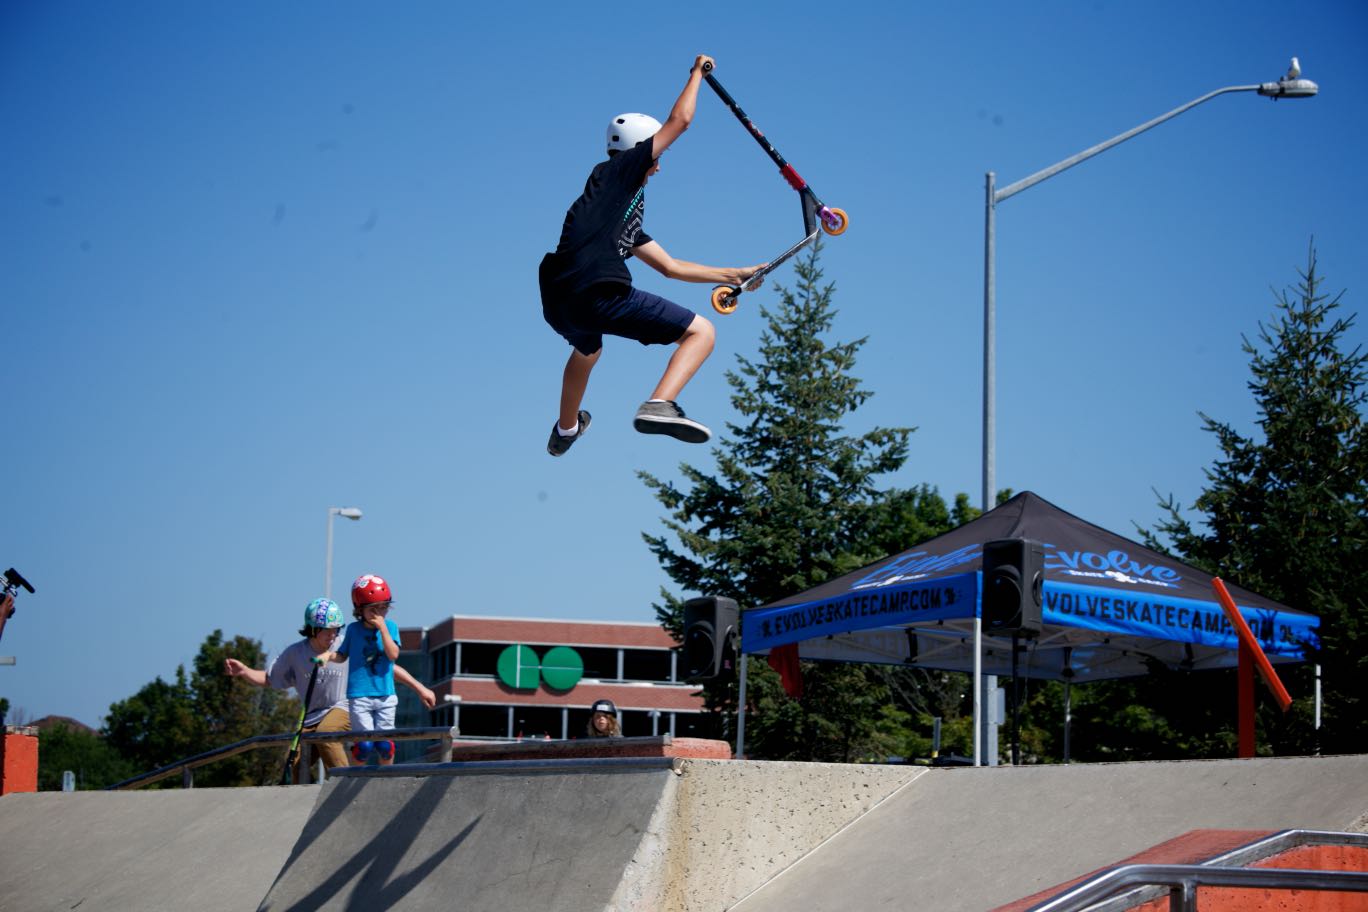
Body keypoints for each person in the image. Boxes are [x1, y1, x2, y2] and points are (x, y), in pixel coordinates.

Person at [539, 53, 764, 457]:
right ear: (641, 149)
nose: (659, 167)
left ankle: (566, 429)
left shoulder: (614, 208)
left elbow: (671, 267)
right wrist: (696, 75)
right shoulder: (620, 170)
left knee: (588, 350)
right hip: (597, 290)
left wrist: (735, 274)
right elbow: (681, 122)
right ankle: (659, 403)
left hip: (560, 299)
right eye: (656, 157)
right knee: (702, 332)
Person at [225, 596, 435, 780]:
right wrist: (243, 671)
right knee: (295, 762)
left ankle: (344, 782)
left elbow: (387, 669)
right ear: (313, 630)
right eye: (327, 632)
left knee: (328, 732)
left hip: (343, 707)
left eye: (336, 631)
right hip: (311, 717)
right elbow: (270, 679)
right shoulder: (295, 654)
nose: (333, 636)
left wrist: (420, 688)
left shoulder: (344, 644)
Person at [317, 574, 406, 766]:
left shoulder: (390, 627)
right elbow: (342, 655)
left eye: (384, 607)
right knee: (363, 746)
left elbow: (393, 655)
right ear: (360, 609)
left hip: (385, 694)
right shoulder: (353, 630)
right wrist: (328, 656)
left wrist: (382, 629)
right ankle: (356, 776)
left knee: (385, 745)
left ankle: (387, 780)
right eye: (373, 609)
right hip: (359, 696)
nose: (379, 614)